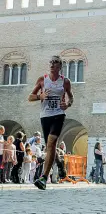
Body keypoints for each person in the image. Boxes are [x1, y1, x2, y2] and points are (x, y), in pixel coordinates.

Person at [28, 55, 73, 190]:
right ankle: (59, 164)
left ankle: (43, 177)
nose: (52, 65)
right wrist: (39, 96)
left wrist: (68, 104)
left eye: (55, 63)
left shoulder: (65, 81)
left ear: (60, 67)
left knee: (52, 141)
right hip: (45, 115)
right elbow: (30, 97)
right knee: (50, 146)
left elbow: (71, 97)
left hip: (59, 114)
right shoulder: (42, 80)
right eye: (51, 63)